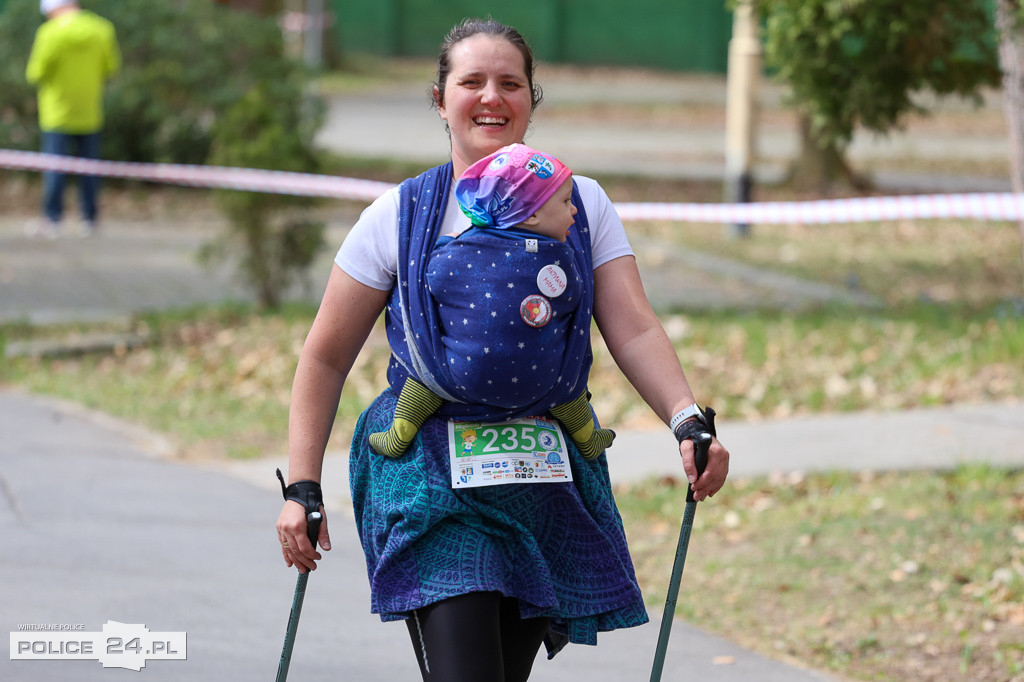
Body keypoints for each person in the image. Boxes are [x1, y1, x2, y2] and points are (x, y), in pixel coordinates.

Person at [276, 17, 730, 682]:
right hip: (430, 477)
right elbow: (325, 356)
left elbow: (632, 326)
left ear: (531, 100)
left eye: (510, 83)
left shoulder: (583, 204)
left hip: (541, 480)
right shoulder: (399, 214)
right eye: (472, 82)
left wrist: (687, 419)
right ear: (440, 100)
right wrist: (303, 486)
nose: (492, 96)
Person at [368, 143, 616, 461]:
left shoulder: (460, 251)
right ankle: (588, 438)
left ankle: (399, 433)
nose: (575, 210)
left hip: (458, 378)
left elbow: (434, 281)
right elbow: (571, 302)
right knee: (570, 390)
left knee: (424, 381)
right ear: (533, 214)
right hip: (541, 383)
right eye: (566, 201)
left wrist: (445, 245)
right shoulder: (563, 259)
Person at [25, 0, 121, 238]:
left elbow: (35, 73)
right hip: (90, 112)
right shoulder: (102, 29)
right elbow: (111, 67)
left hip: (56, 114)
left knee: (55, 168)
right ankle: (89, 219)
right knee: (89, 168)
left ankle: (53, 219)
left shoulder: (49, 33)